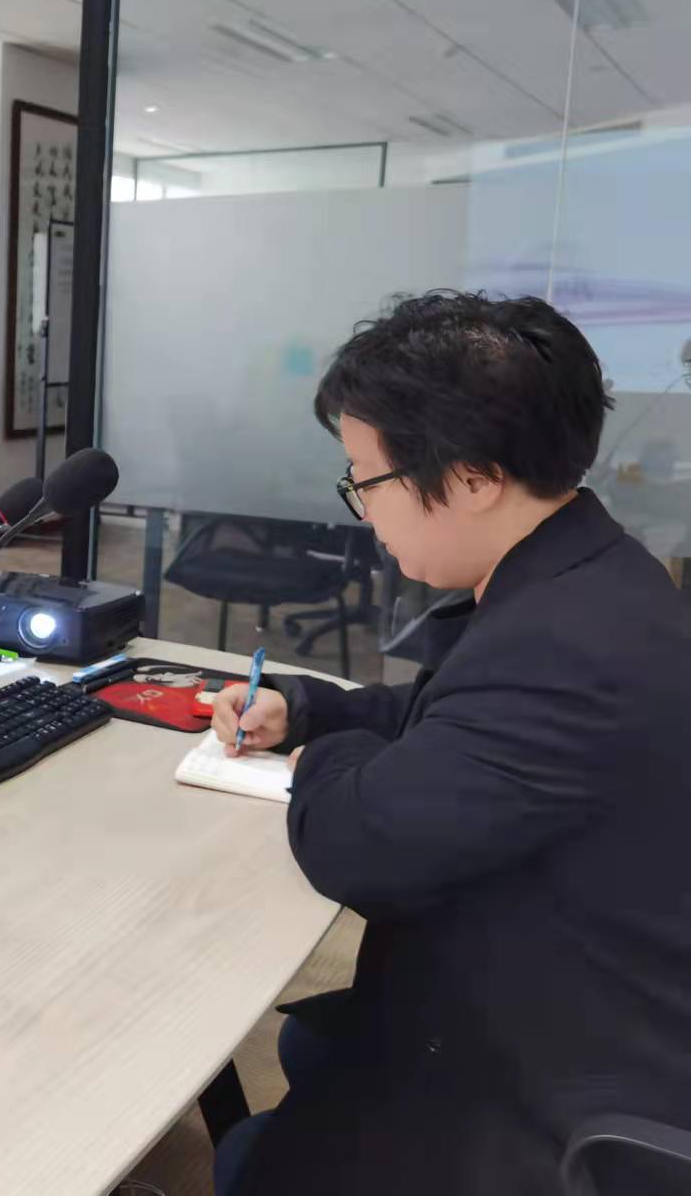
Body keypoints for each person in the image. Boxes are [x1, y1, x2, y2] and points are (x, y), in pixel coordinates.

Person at [207, 292, 691, 1196]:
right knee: (311, 1049)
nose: (364, 511)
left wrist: (319, 761)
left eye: (367, 479)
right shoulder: (591, 573)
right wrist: (304, 709)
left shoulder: (565, 649)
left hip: (563, 1073)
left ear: (472, 477)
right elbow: (450, 715)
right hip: (556, 983)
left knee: (251, 1163)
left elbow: (360, 843)